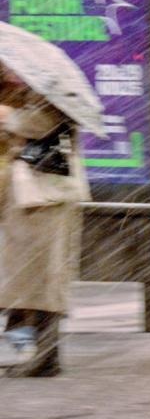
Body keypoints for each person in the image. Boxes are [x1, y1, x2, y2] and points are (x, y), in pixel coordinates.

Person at [0, 67, 89, 377]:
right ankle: (32, 353)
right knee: (24, 284)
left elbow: (43, 126)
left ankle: (45, 357)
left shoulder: (51, 90)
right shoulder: (22, 91)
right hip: (26, 199)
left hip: (47, 197)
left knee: (43, 282)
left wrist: (10, 118)